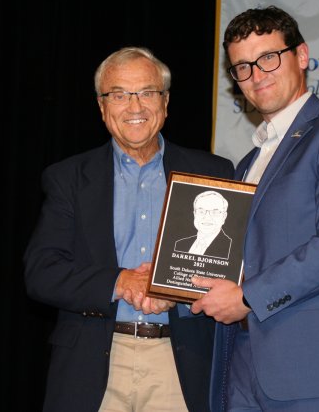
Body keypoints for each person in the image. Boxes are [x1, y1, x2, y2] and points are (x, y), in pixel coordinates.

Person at [191, 5, 319, 411]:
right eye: (242, 67)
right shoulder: (249, 162)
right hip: (243, 363)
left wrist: (247, 296)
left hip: (316, 369)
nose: (256, 75)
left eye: (268, 58)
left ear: (301, 56)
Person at [24, 46, 234, 412]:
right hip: (92, 365)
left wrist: (181, 292)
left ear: (165, 103)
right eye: (119, 94)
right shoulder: (69, 178)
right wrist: (120, 282)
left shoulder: (212, 173)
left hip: (181, 363)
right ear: (103, 107)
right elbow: (42, 273)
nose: (135, 107)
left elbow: (232, 271)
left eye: (147, 92)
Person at [174, 190, 232, 259]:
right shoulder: (180, 245)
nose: (207, 217)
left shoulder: (231, 248)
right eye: (201, 211)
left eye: (214, 212)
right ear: (194, 214)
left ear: (224, 217)